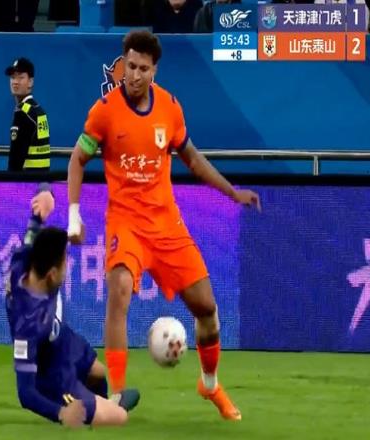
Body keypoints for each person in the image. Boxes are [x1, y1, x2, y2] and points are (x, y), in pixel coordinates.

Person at [67, 30, 260, 421]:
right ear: (122, 66)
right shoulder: (104, 111)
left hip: (166, 224)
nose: (134, 75)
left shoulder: (170, 108)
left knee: (206, 308)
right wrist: (74, 213)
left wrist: (232, 192)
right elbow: (77, 160)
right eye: (130, 67)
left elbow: (193, 159)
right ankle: (116, 396)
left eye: (143, 68)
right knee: (119, 290)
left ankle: (209, 384)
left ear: (154, 70)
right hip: (126, 223)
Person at [5, 184, 140, 428]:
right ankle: (96, 408)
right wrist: (59, 413)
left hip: (64, 342)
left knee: (99, 373)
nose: (67, 269)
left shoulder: (25, 259)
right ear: (51, 275)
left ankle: (99, 405)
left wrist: (46, 193)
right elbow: (25, 393)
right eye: (65, 264)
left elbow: (35, 226)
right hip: (53, 376)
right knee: (120, 418)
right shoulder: (28, 325)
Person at [5, 58, 51, 172]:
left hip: (26, 179)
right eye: (13, 77)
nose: (15, 82)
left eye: (20, 77)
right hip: (42, 178)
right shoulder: (39, 110)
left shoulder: (22, 112)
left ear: (30, 82)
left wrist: (9, 180)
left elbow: (16, 158)